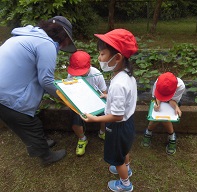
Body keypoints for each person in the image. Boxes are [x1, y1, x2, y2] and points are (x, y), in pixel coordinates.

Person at [0, 16, 77, 165]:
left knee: (22, 124)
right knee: (32, 125)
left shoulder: (23, 37)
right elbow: (46, 80)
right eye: (66, 42)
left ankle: (37, 144)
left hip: (4, 91)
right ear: (62, 36)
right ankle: (46, 157)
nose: (63, 47)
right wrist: (65, 97)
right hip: (7, 95)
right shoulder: (46, 44)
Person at [80, 29, 138, 191]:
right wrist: (108, 97)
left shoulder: (119, 83)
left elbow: (117, 116)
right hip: (129, 122)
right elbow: (125, 100)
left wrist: (95, 119)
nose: (99, 58)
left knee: (117, 157)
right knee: (124, 149)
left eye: (103, 54)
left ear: (117, 57)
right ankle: (127, 167)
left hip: (118, 126)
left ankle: (125, 183)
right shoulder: (127, 75)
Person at [67, 50, 107, 156]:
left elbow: (104, 91)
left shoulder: (96, 74)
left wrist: (101, 100)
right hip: (79, 102)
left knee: (106, 113)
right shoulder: (71, 75)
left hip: (94, 100)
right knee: (74, 119)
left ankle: (102, 132)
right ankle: (82, 138)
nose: (79, 74)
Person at [141, 72, 186, 155]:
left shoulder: (181, 86)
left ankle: (149, 131)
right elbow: (156, 96)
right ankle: (172, 136)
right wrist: (157, 103)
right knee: (157, 115)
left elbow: (173, 100)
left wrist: (176, 107)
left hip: (172, 101)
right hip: (159, 100)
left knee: (162, 117)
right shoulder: (158, 83)